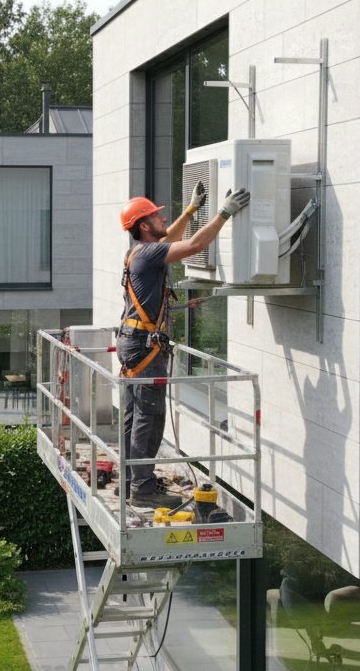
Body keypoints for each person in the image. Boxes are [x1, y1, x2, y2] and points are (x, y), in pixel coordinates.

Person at [117, 182, 250, 507]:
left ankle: (131, 480)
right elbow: (192, 245)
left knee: (135, 416)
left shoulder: (139, 251)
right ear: (144, 226)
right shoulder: (148, 254)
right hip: (144, 347)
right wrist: (224, 214)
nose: (163, 219)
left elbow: (170, 238)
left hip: (134, 342)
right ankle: (143, 489)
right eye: (155, 217)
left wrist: (191, 210)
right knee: (149, 417)